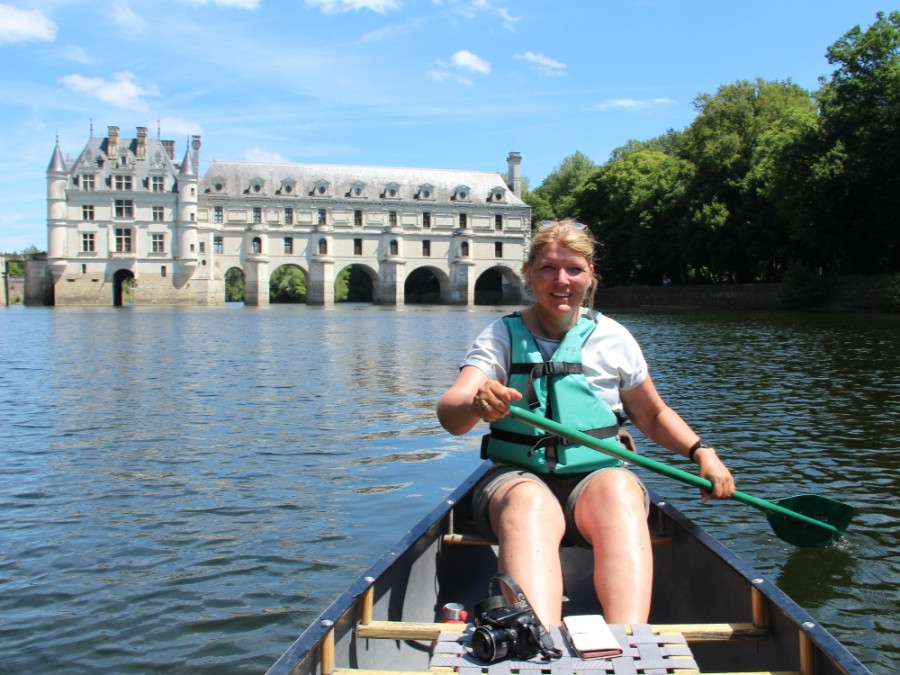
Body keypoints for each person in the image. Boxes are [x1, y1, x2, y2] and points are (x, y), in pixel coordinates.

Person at [436, 219, 735, 626]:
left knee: (619, 489)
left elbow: (652, 414)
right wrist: (476, 403)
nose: (561, 280)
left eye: (574, 269)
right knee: (530, 504)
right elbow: (451, 412)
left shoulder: (614, 338)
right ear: (528, 275)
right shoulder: (500, 337)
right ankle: (539, 645)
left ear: (591, 275)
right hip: (516, 481)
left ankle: (629, 643)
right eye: (547, 268)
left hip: (594, 482)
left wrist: (702, 452)